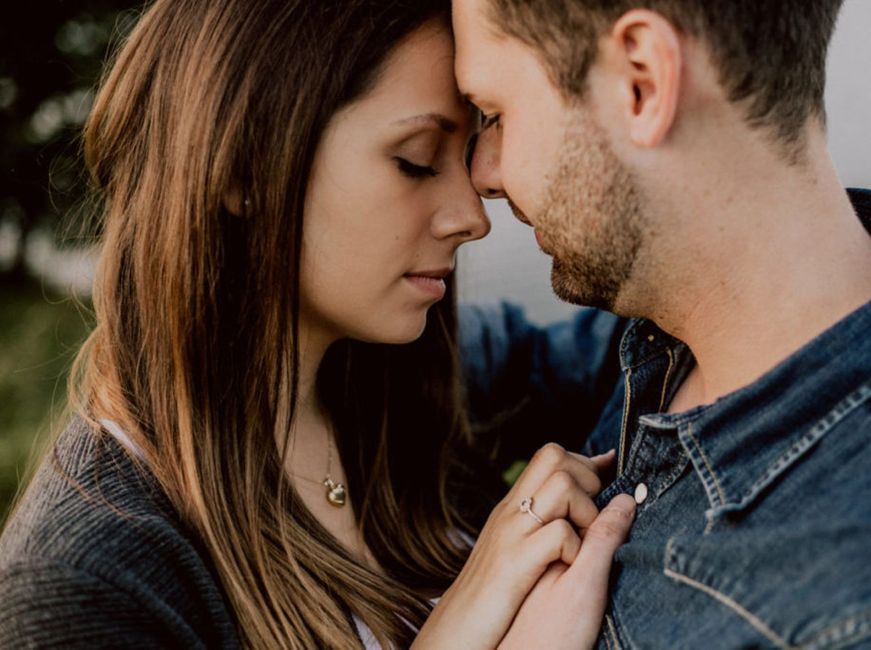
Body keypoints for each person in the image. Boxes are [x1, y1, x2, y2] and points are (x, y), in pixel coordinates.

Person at [0, 0, 636, 647]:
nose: (472, 217)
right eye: (415, 160)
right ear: (242, 165)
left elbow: (666, 348)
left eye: (468, 150)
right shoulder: (80, 587)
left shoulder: (435, 379)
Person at [453, 0, 871, 647]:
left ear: (641, 81)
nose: (483, 174)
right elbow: (498, 364)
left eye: (497, 115)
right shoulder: (689, 330)